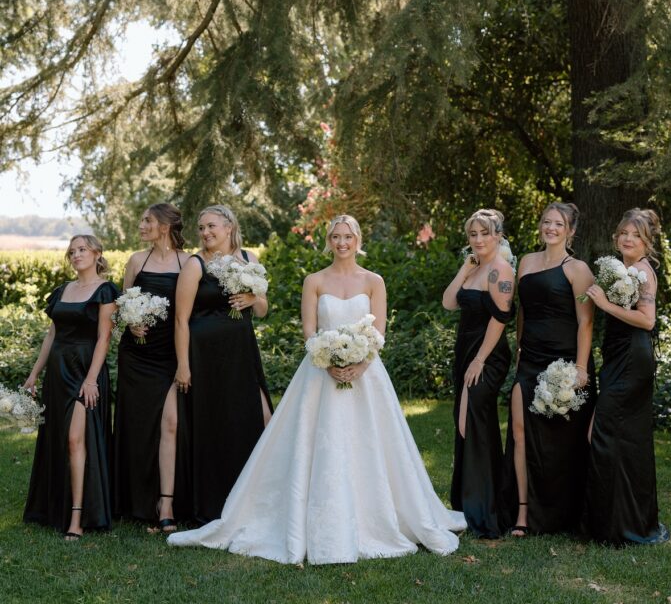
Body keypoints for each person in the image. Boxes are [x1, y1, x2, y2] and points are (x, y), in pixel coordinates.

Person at [168, 213, 466, 563]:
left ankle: (383, 517)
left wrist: (359, 363)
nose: (342, 243)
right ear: (329, 241)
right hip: (319, 373)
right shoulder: (314, 281)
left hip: (366, 374)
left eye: (348, 237)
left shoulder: (374, 281)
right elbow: (309, 331)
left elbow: (378, 333)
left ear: (358, 241)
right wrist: (329, 360)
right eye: (336, 237)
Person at [173, 204, 272, 524]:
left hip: (241, 353)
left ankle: (256, 500)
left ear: (229, 227)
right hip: (205, 357)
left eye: (211, 226)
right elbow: (180, 319)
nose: (205, 233)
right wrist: (184, 365)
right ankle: (213, 504)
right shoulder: (195, 264)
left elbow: (263, 311)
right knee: (214, 426)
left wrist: (252, 298)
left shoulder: (249, 259)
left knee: (259, 418)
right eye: (201, 228)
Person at [503, 202, 595, 536]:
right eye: (546, 222)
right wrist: (518, 348)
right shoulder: (526, 262)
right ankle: (523, 512)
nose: (551, 228)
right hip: (529, 358)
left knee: (559, 439)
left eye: (558, 223)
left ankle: (561, 513)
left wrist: (581, 368)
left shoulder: (578, 269)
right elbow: (521, 312)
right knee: (519, 430)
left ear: (570, 231)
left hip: (564, 360)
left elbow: (586, 323)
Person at [583, 209, 669, 545]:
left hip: (633, 359)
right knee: (621, 437)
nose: (628, 239)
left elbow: (647, 321)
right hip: (619, 356)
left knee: (606, 432)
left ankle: (620, 526)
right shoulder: (623, 269)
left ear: (647, 242)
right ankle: (617, 521)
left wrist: (604, 303)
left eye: (635, 235)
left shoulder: (643, 271)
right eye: (624, 233)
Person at [23, 235, 118, 538]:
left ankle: (77, 517)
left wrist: (91, 379)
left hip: (85, 372)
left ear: (96, 254)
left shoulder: (106, 291)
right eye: (72, 251)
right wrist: (34, 374)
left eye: (82, 250)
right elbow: (51, 335)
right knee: (58, 438)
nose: (76, 255)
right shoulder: (63, 291)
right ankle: (56, 507)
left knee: (76, 439)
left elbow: (105, 338)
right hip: (57, 372)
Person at [113, 203, 190, 531]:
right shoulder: (136, 261)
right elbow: (119, 307)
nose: (142, 224)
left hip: (171, 356)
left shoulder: (188, 262)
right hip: (136, 356)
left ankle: (167, 502)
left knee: (170, 424)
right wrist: (129, 325)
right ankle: (135, 501)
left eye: (148, 220)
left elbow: (195, 312)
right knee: (136, 424)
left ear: (165, 225)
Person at [442, 209, 514, 538]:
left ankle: (485, 509)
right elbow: (448, 303)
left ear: (498, 235)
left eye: (485, 233)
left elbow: (500, 319)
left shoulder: (501, 271)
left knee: (473, 419)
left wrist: (481, 360)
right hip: (465, 352)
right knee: (463, 422)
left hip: (488, 354)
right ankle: (465, 504)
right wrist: (465, 266)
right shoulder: (476, 267)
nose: (479, 240)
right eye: (473, 234)